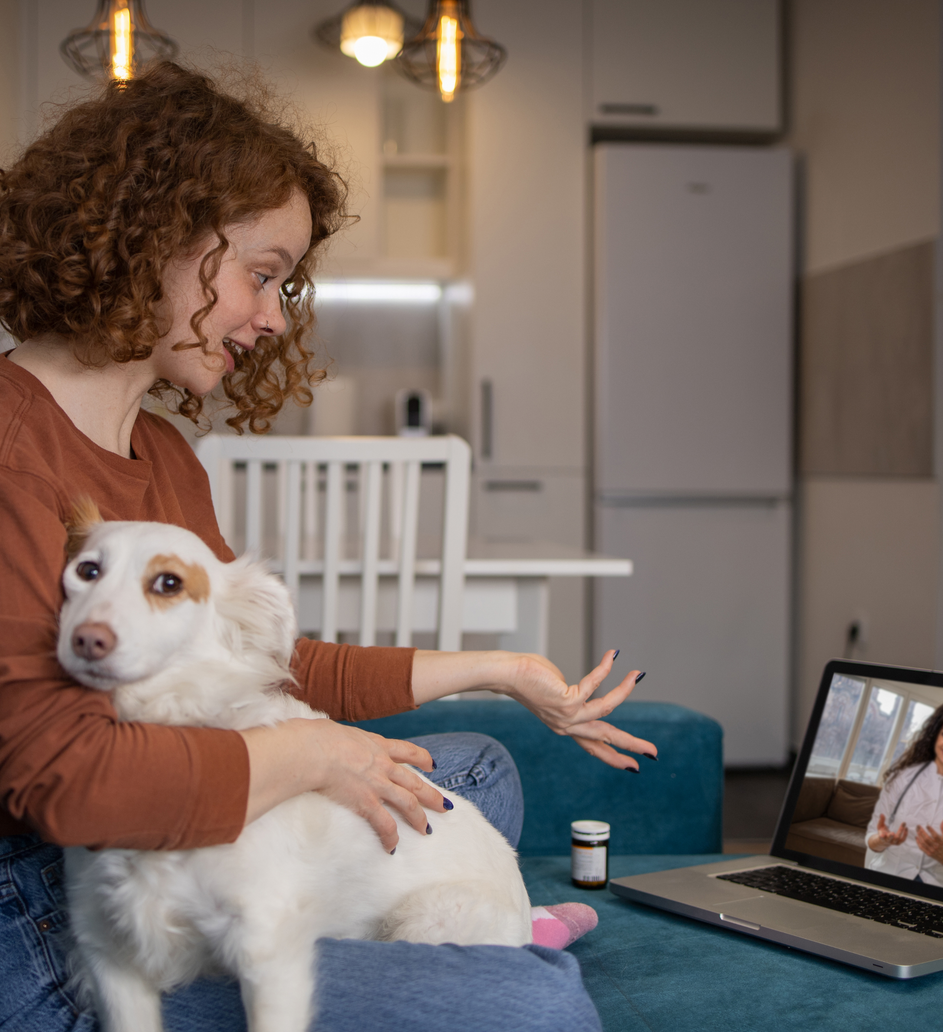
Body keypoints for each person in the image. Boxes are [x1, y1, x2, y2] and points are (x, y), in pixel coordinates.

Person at [0, 62, 656, 1031]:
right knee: (532, 1009)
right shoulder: (15, 454)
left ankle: (367, 930)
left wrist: (502, 668)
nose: (273, 318)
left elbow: (259, 665)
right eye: (261, 275)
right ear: (148, 238)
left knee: (475, 771)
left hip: (194, 848)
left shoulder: (163, 452)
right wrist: (308, 758)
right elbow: (64, 783)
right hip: (56, 920)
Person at [864, 696, 943, 890]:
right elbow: (871, 837)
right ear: (935, 735)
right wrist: (881, 840)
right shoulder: (902, 777)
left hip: (934, 885)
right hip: (888, 876)